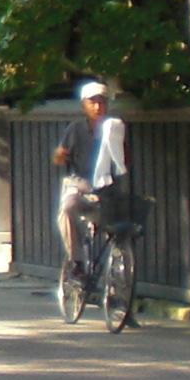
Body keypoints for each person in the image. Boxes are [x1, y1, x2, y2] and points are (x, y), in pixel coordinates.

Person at [52, 79, 127, 285]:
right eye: (92, 102)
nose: (97, 107)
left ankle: (117, 276)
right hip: (80, 184)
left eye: (101, 102)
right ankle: (76, 262)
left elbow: (123, 160)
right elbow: (60, 157)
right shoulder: (75, 129)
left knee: (121, 225)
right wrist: (60, 156)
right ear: (83, 105)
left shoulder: (114, 128)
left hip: (107, 187)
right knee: (67, 208)